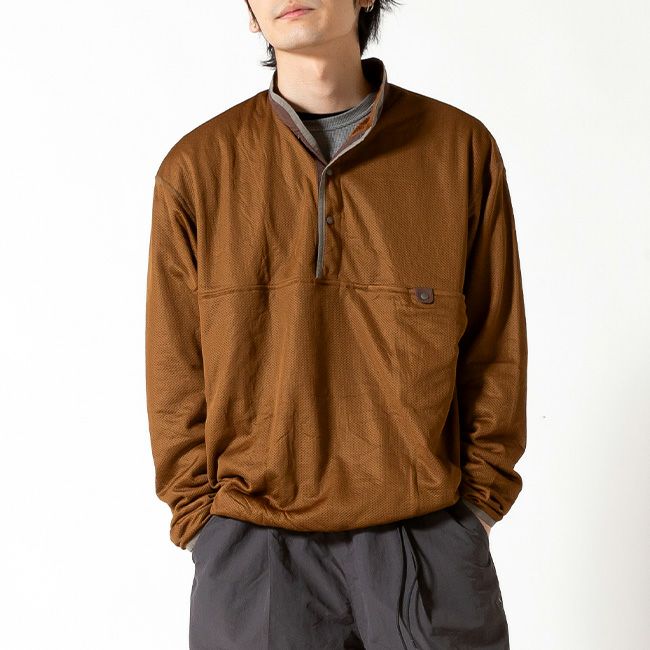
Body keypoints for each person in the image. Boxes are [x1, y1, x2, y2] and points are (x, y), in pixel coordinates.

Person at [145, 1, 528, 647]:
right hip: (253, 547)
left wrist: (477, 506)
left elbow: (497, 343)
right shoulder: (198, 168)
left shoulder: (459, 149)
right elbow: (174, 367)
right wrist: (202, 520)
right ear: (250, 15)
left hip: (427, 536)